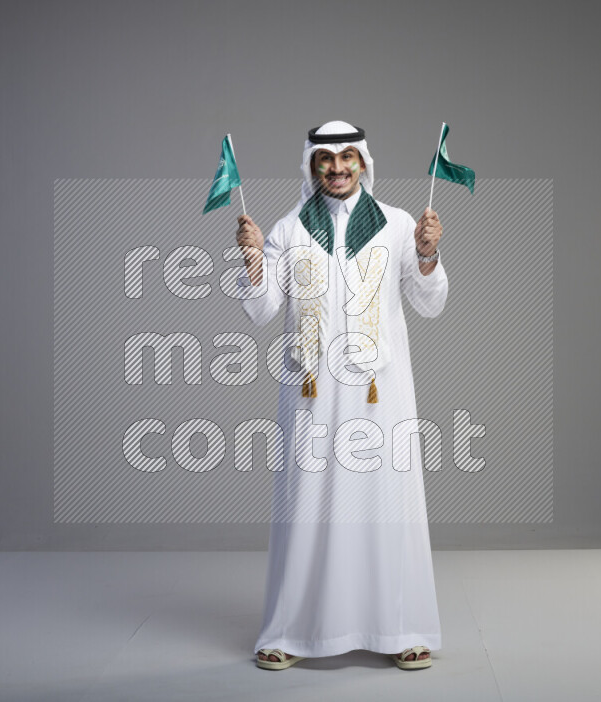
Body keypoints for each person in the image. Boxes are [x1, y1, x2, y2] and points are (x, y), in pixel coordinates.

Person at [235, 120, 448, 671]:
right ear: (311, 167)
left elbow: (429, 304)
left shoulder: (399, 225)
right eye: (325, 160)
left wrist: (427, 254)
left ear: (363, 163)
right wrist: (255, 257)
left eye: (347, 158)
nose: (337, 169)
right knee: (307, 504)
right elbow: (260, 311)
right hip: (311, 394)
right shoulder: (287, 229)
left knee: (386, 503)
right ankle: (291, 631)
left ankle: (401, 628)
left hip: (382, 392)